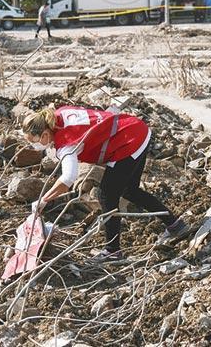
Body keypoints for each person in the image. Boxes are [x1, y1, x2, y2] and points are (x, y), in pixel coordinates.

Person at [21, 107, 188, 262]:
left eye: (33, 142)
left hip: (128, 142)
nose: (33, 146)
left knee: (106, 194)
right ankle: (175, 225)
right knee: (130, 191)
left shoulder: (66, 143)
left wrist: (44, 199)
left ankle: (112, 251)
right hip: (134, 128)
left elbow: (68, 178)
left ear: (44, 135)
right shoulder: (58, 115)